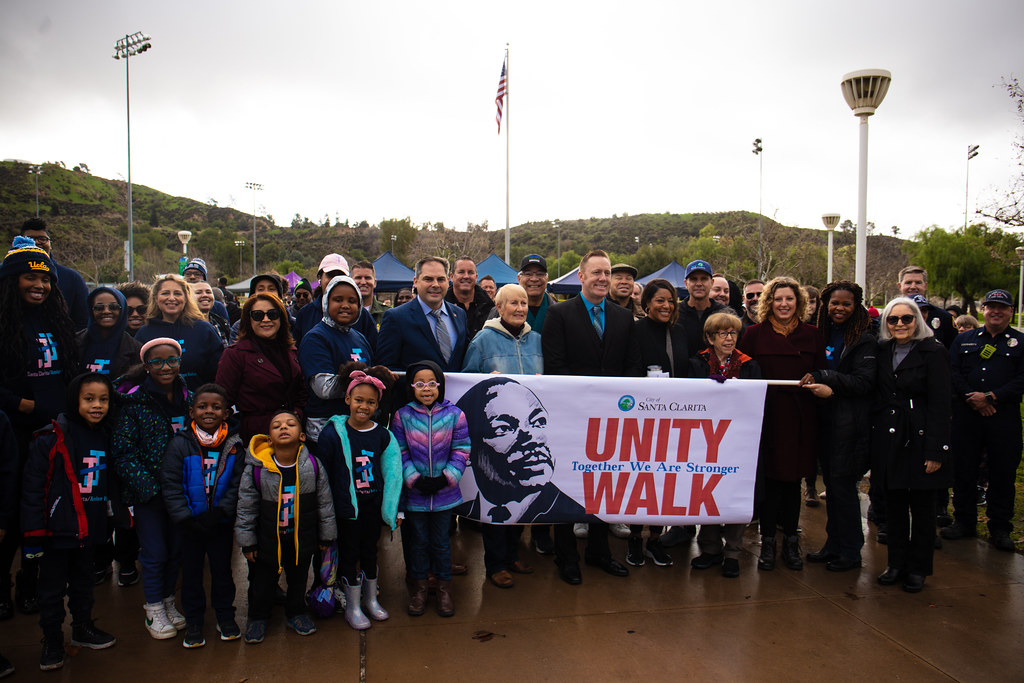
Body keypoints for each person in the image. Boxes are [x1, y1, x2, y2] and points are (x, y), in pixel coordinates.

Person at [542, 249, 640, 585]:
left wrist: (614, 403)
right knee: (567, 486)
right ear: (580, 276)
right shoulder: (559, 314)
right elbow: (556, 366)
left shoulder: (624, 318)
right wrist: (585, 402)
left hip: (611, 418)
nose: (602, 278)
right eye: (596, 272)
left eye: (607, 272)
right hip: (571, 417)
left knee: (603, 484)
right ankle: (566, 556)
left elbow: (631, 366)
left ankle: (599, 552)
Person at [0, 236, 79, 617]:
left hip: (52, 434)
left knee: (47, 512)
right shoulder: (4, 322)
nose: (40, 285)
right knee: (14, 515)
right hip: (15, 434)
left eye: (46, 279)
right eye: (30, 278)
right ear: (12, 280)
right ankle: (3, 587)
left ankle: (31, 584)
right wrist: (19, 403)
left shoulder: (56, 320)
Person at [22, 373, 120, 670]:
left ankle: (82, 627)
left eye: (103, 400)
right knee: (51, 590)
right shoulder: (51, 437)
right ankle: (52, 640)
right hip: (57, 530)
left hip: (89, 527)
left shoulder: (106, 434)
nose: (97, 406)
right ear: (74, 399)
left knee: (84, 583)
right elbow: (33, 488)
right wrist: (34, 534)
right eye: (89, 399)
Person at [456, 378, 590, 589]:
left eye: (538, 423)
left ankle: (511, 555)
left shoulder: (564, 506)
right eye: (504, 428)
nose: (532, 437)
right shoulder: (469, 506)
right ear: (470, 444)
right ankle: (497, 564)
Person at [738, 276, 826, 571]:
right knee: (770, 481)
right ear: (768, 303)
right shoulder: (752, 334)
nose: (784, 304)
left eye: (789, 299)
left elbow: (823, 372)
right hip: (766, 416)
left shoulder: (813, 335)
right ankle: (767, 544)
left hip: (801, 417)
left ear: (799, 302)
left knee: (792, 483)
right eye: (778, 299)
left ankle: (791, 541)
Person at [112, 338, 191, 639]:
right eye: (157, 362)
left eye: (172, 360)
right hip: (150, 496)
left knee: (175, 550)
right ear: (146, 366)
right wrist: (150, 489)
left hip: (181, 491)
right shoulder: (134, 403)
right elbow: (123, 452)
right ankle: (153, 607)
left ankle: (169, 601)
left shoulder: (188, 397)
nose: (165, 366)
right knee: (155, 551)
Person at [235, 409, 336, 643]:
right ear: (269, 438)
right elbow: (246, 507)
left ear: (302, 436)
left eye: (291, 424)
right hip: (267, 540)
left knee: (298, 580)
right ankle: (258, 617)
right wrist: (247, 541)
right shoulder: (257, 469)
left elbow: (324, 502)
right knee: (261, 582)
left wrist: (326, 536)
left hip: (301, 539)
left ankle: (296, 613)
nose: (283, 427)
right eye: (277, 425)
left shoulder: (313, 466)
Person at [872, 298, 952, 592]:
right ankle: (895, 564)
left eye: (907, 318)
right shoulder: (882, 351)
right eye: (893, 320)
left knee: (921, 508)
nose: (900, 325)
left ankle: (918, 568)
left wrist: (936, 450)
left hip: (920, 438)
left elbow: (942, 405)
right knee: (893, 506)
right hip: (889, 438)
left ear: (918, 320)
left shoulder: (934, 352)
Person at [799, 281, 878, 572]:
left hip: (850, 426)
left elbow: (864, 383)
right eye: (834, 303)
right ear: (825, 304)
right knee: (832, 488)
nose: (839, 308)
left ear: (856, 306)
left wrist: (825, 377)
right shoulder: (821, 332)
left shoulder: (864, 340)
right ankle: (833, 544)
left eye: (846, 304)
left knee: (844, 490)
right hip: (824, 423)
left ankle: (851, 552)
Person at [161, 383, 244, 648]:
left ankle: (225, 617)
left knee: (222, 572)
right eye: (202, 406)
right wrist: (185, 518)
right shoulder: (179, 444)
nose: (209, 411)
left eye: (216, 407)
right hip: (189, 526)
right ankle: (195, 622)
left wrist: (221, 512)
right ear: (191, 411)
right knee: (192, 576)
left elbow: (238, 484)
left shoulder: (234, 445)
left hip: (219, 524)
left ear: (227, 412)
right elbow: (171, 484)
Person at [317, 367, 401, 630]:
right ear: (347, 400)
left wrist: (391, 509)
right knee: (349, 552)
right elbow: (324, 476)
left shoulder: (383, 435)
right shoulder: (332, 434)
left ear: (377, 405)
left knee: (370, 551)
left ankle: (370, 599)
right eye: (359, 400)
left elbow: (393, 473)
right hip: (346, 509)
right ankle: (352, 605)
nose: (364, 406)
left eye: (371, 402)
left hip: (372, 507)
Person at [942, 289, 1024, 552]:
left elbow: (1022, 379)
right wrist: (973, 399)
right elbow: (952, 372)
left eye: (1002, 307)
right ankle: (963, 521)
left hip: (1003, 417)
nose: (996, 311)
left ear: (1011, 311)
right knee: (963, 470)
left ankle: (1000, 528)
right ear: (982, 309)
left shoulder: (1020, 343)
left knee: (1003, 473)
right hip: (967, 416)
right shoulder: (963, 340)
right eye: (991, 307)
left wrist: (991, 397)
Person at [392, 361, 470, 617]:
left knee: (440, 542)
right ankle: (419, 588)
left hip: (444, 495)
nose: (427, 389)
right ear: (412, 387)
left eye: (432, 383)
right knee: (418, 543)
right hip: (415, 495)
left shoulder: (455, 415)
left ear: (440, 385)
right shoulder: (402, 416)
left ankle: (445, 588)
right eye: (420, 384)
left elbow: (461, 449)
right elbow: (399, 452)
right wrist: (414, 479)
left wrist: (446, 477)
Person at [689, 312, 762, 578]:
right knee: (707, 492)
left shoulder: (750, 365)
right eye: (723, 333)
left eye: (733, 333)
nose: (729, 338)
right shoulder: (696, 364)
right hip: (704, 439)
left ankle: (732, 551)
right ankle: (709, 548)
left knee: (733, 492)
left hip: (737, 439)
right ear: (710, 337)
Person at [628, 278, 690, 567]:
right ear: (647, 303)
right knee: (639, 479)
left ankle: (654, 540)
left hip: (674, 418)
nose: (666, 306)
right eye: (660, 300)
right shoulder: (635, 330)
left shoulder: (680, 332)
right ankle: (634, 538)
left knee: (663, 481)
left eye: (670, 301)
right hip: (642, 418)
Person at [216, 292, 306, 446]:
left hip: (291, 435)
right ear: (248, 320)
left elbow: (301, 391)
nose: (266, 319)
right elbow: (222, 400)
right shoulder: (235, 354)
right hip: (256, 438)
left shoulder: (291, 351)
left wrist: (297, 413)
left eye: (272, 314)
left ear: (281, 318)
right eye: (258, 315)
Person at [298, 276, 372, 448]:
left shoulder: (359, 337)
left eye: (352, 301)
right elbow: (323, 388)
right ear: (326, 303)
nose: (345, 305)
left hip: (356, 427)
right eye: (338, 300)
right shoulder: (316, 338)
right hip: (325, 432)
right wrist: (367, 377)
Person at [378, 257, 469, 372]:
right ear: (415, 282)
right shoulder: (396, 318)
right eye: (428, 279)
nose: (435, 284)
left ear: (447, 281)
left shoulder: (459, 314)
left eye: (440, 279)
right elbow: (386, 369)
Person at [135, 274, 223, 392]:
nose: (171, 298)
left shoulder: (204, 329)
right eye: (165, 293)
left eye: (177, 293)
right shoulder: (144, 332)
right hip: (155, 404)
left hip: (197, 403)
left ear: (186, 298)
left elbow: (219, 371)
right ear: (156, 298)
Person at [20, 218, 89, 331]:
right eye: (30, 239)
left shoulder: (72, 278)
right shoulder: (6, 275)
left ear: (50, 244)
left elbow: (83, 322)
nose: (37, 242)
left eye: (42, 239)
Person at [462, 284, 543, 375]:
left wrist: (543, 381)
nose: (520, 309)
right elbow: (468, 378)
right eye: (514, 303)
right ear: (499, 308)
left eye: (523, 303)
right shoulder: (482, 340)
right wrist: (486, 380)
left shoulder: (537, 340)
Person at [897, 266, 956, 347]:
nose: (913, 287)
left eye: (918, 283)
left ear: (925, 286)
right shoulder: (888, 317)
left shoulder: (944, 317)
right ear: (899, 286)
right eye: (908, 282)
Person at [678, 260, 726, 357]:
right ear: (686, 284)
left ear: (712, 282)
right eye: (693, 279)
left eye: (704, 279)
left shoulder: (724, 313)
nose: (699, 284)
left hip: (714, 371)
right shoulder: (675, 313)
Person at [444, 256, 494, 339]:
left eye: (470, 272)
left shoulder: (490, 308)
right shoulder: (440, 307)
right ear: (452, 277)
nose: (466, 276)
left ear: (476, 277)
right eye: (461, 272)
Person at [192, 281, 231, 347]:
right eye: (198, 292)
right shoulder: (184, 325)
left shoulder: (220, 322)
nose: (204, 295)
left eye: (208, 292)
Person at [351, 261, 387, 327]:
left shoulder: (386, 314)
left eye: (367, 278)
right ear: (350, 282)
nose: (363, 282)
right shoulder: (344, 312)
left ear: (375, 283)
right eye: (358, 278)